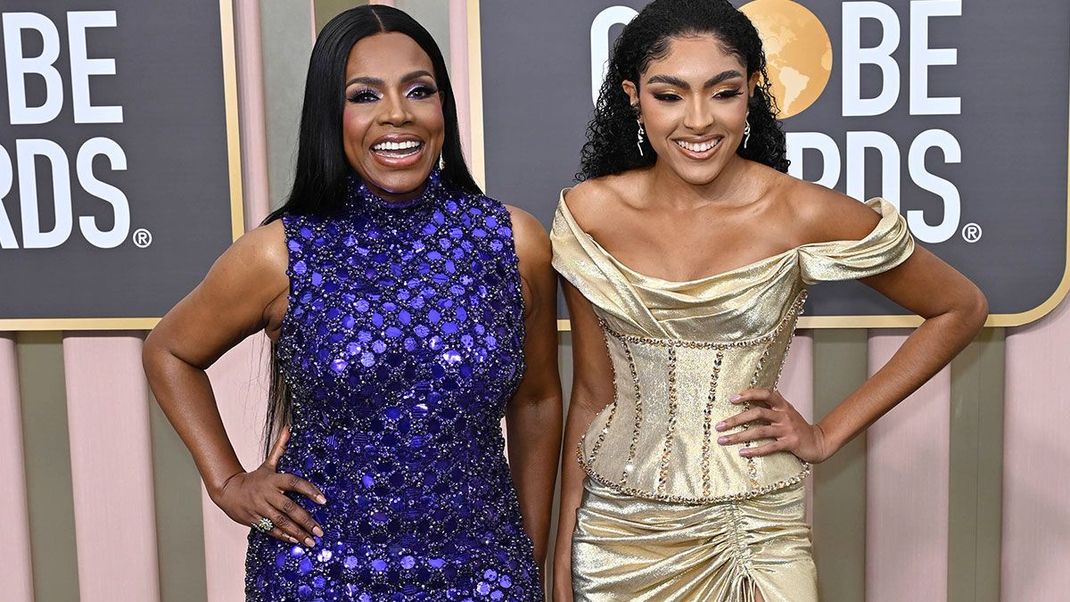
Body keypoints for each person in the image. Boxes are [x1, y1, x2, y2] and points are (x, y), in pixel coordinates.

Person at [549, 1, 987, 600]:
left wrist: (827, 435)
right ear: (633, 96)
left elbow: (960, 307)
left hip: (755, 534)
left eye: (722, 92)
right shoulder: (587, 214)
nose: (698, 120)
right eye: (670, 95)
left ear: (752, 90)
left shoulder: (800, 211)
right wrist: (562, 544)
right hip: (618, 538)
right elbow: (594, 396)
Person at [143, 6, 561, 600]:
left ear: (443, 106)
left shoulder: (513, 242)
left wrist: (529, 556)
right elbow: (169, 352)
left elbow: (538, 400)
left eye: (420, 90)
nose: (397, 114)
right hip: (318, 572)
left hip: (481, 568)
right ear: (328, 115)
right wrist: (228, 481)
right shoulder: (278, 254)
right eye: (365, 95)